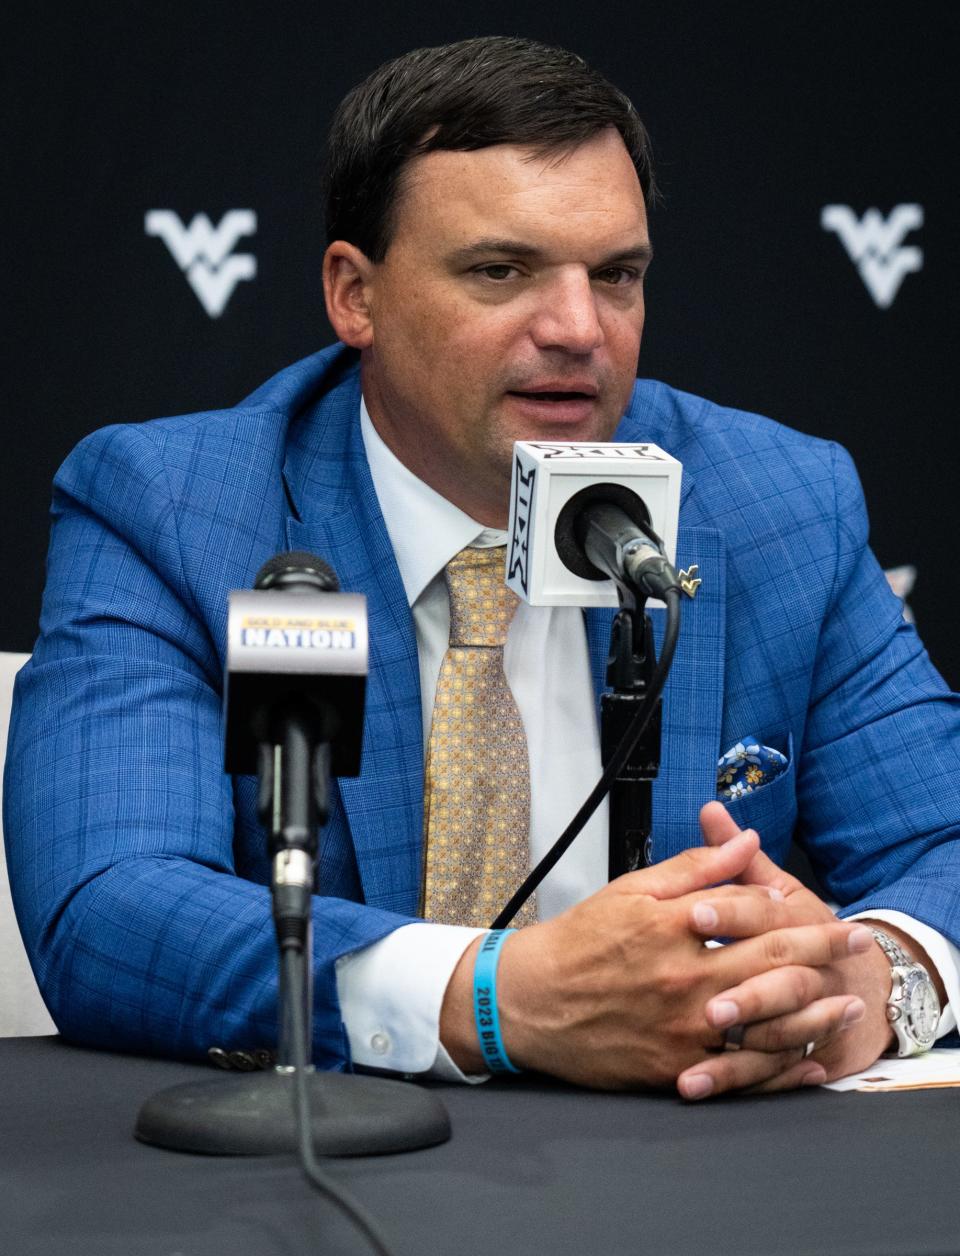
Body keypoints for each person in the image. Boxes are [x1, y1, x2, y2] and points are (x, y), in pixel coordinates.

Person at [4, 36, 958, 1101]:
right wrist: (505, 996)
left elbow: (947, 839)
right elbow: (108, 905)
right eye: (500, 271)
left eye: (617, 276)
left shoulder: (773, 505)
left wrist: (880, 978)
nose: (577, 329)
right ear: (353, 294)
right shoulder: (177, 508)